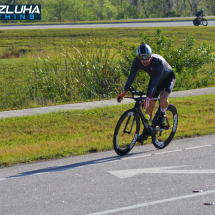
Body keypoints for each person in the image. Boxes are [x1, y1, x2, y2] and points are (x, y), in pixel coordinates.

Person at [117, 44, 176, 143]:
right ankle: (147, 130)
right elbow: (131, 77)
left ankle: (163, 112)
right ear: (138, 57)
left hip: (167, 78)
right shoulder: (136, 62)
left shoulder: (159, 62)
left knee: (162, 98)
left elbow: (155, 83)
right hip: (154, 80)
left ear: (151, 56)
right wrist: (124, 92)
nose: (144, 60)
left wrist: (148, 98)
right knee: (149, 107)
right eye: (141, 58)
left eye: (147, 58)